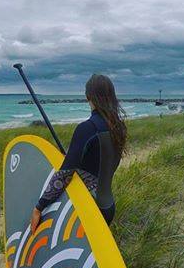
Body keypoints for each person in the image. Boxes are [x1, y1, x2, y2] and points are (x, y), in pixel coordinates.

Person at [30, 73, 127, 234]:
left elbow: (63, 175)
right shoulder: (120, 128)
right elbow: (100, 163)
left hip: (88, 209)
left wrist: (39, 207)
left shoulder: (87, 128)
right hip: (108, 206)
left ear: (87, 96)